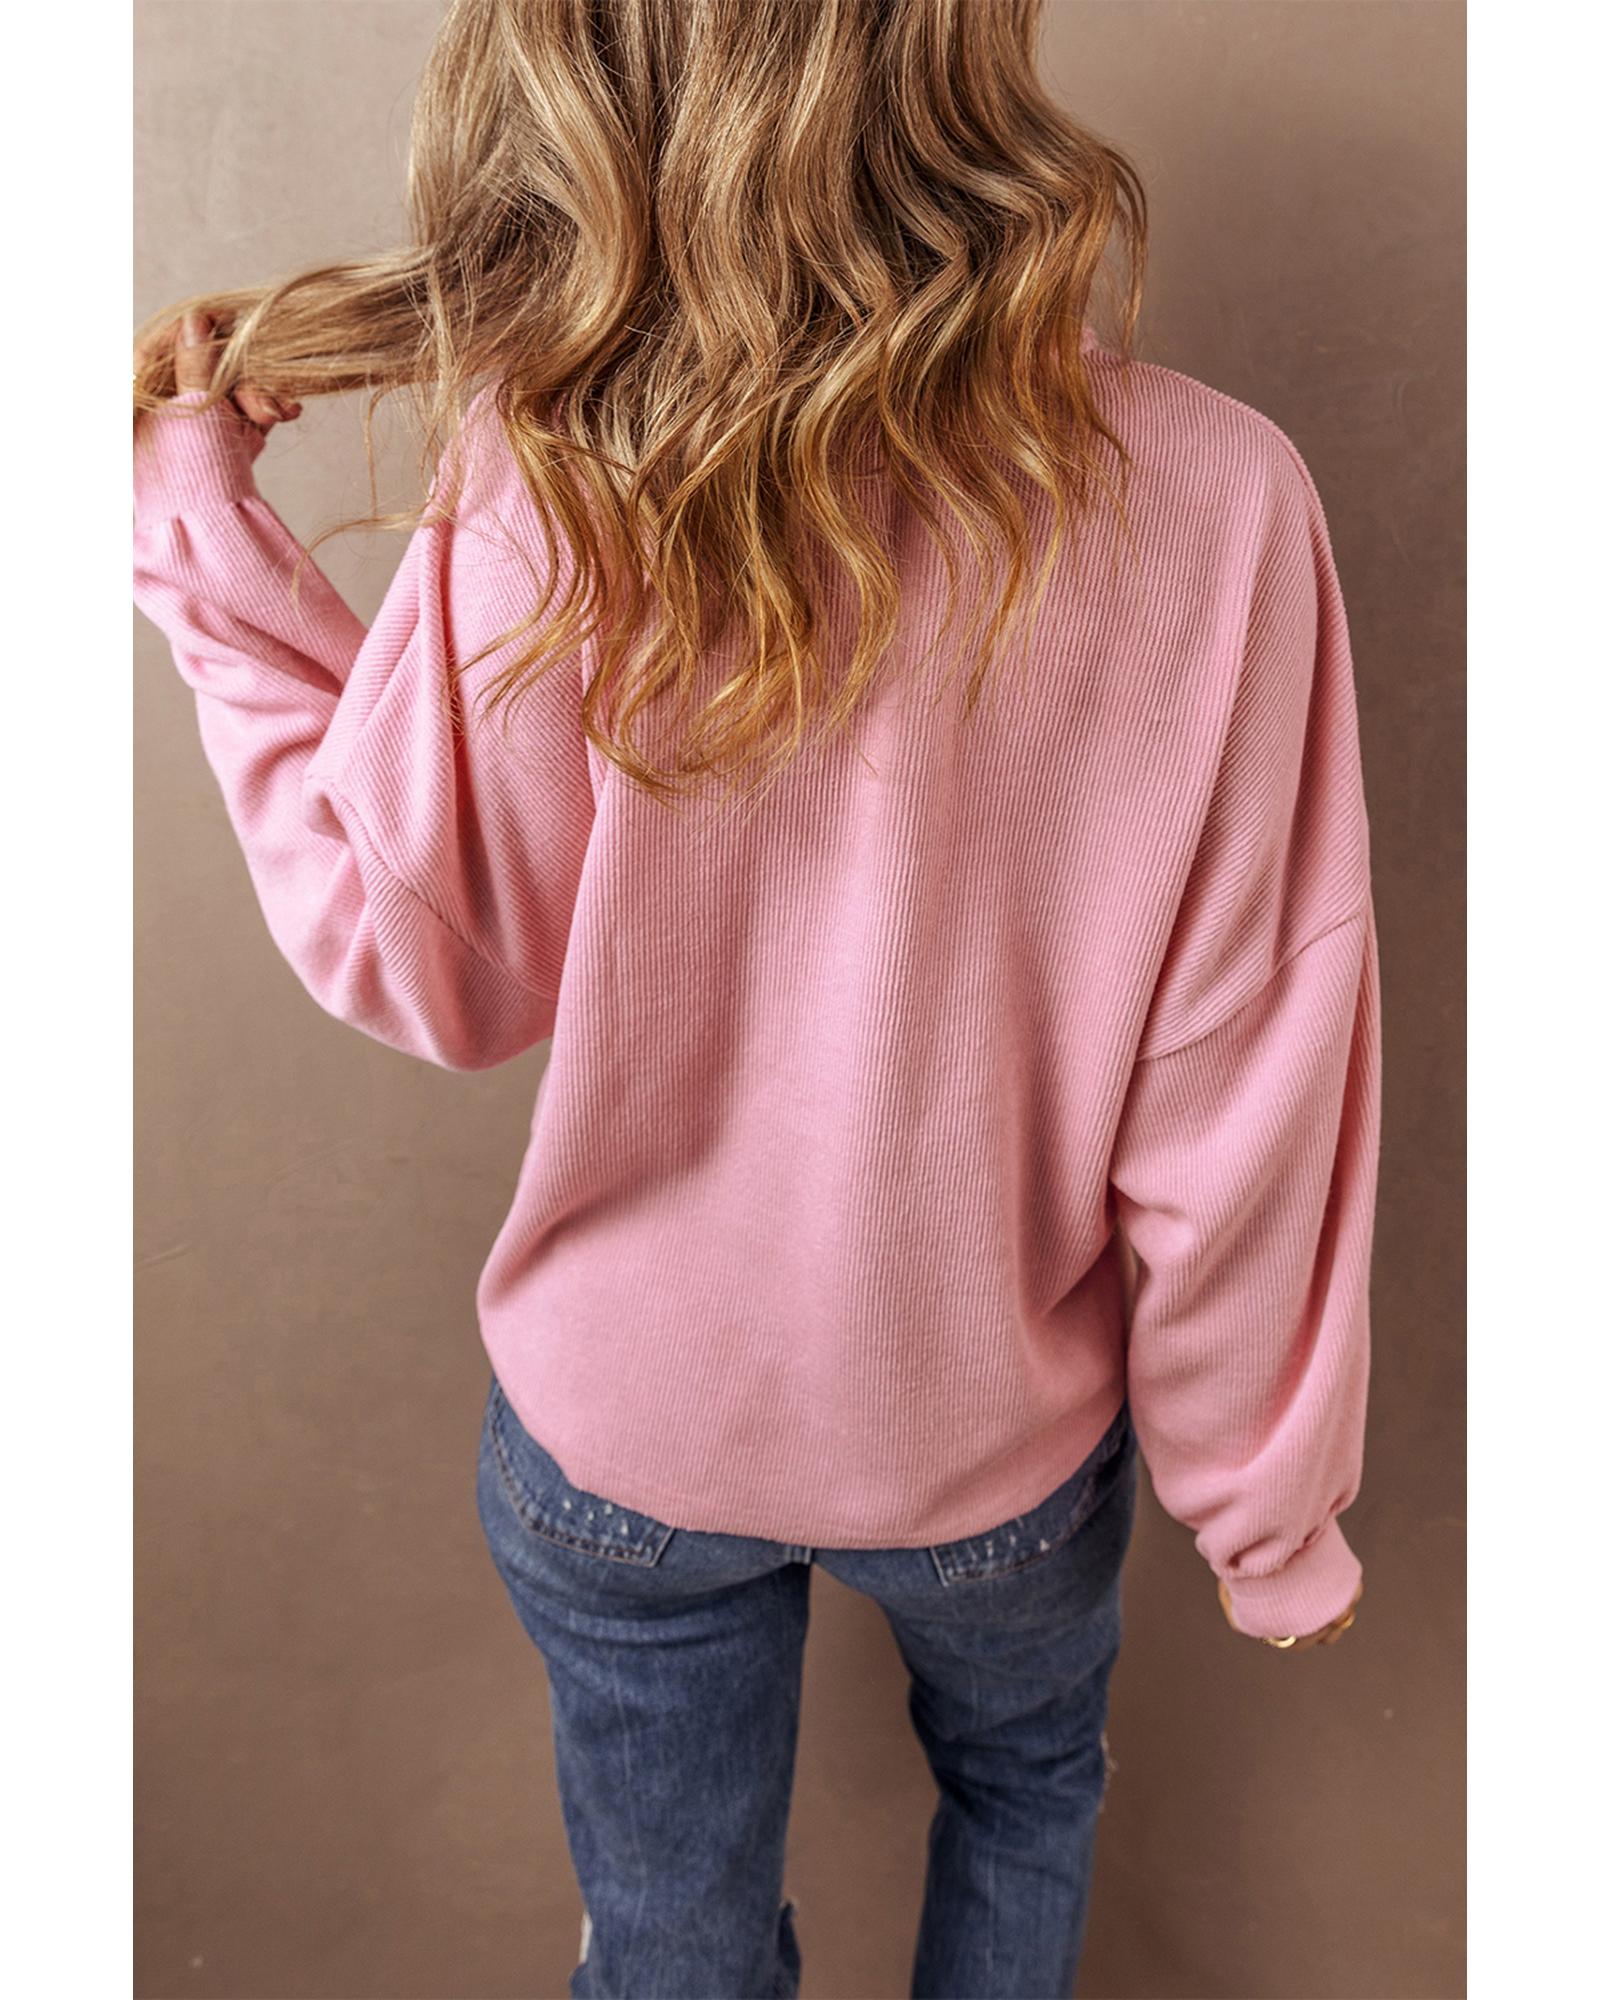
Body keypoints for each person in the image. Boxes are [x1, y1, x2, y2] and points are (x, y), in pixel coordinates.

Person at [132, 2, 1379, 1994]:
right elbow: (1240, 1084)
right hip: (990, 1442)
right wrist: (1267, 1515)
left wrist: (198, 526)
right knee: (1028, 1790)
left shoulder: (546, 469)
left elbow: (417, 951)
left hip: (622, 1437)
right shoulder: (1221, 500)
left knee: (672, 1946)